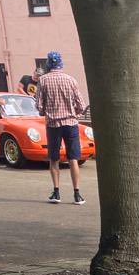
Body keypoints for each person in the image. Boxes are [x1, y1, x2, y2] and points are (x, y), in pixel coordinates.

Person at [35, 50, 86, 205]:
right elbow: (81, 105)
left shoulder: (43, 81)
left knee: (54, 158)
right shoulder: (71, 80)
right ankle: (77, 194)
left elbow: (39, 106)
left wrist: (47, 112)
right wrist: (74, 114)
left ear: (48, 64)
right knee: (73, 159)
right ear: (61, 64)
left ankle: (56, 192)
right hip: (70, 124)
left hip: (53, 124)